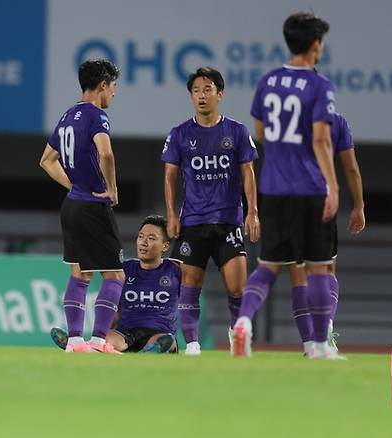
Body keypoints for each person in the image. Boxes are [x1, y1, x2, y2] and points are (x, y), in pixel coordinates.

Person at [232, 12, 342, 359]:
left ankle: (244, 323)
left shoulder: (268, 80)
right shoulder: (319, 85)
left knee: (267, 266)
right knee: (318, 266)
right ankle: (322, 346)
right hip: (309, 187)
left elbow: (261, 132)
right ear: (315, 44)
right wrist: (333, 187)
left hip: (274, 188)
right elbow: (322, 140)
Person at [162, 67, 260, 356]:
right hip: (193, 221)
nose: (202, 96)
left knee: (237, 289)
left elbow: (248, 174)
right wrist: (171, 214)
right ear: (191, 96)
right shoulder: (180, 134)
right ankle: (192, 344)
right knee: (189, 285)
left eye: (207, 90)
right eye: (196, 91)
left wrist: (252, 212)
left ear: (220, 94)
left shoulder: (237, 131)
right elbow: (169, 176)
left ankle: (236, 339)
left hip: (229, 221)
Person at [40, 59, 125, 354]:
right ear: (102, 85)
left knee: (80, 274)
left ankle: (75, 341)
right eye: (113, 87)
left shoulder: (67, 115)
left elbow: (46, 161)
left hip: (72, 205)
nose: (113, 93)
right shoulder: (96, 116)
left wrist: (74, 184)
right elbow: (106, 153)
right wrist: (111, 188)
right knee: (115, 275)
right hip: (92, 206)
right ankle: (100, 341)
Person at [51, 215, 179, 353]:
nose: (143, 242)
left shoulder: (175, 270)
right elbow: (112, 307)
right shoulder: (124, 269)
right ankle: (84, 347)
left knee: (166, 341)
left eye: (151, 238)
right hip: (125, 335)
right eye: (141, 236)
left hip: (159, 333)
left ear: (165, 246)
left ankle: (84, 350)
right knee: (104, 340)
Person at [293, 112, 365, 354]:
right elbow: (351, 167)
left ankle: (310, 345)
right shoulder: (337, 121)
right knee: (326, 271)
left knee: (299, 275)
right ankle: (325, 332)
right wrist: (359, 205)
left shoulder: (284, 118)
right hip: (322, 201)